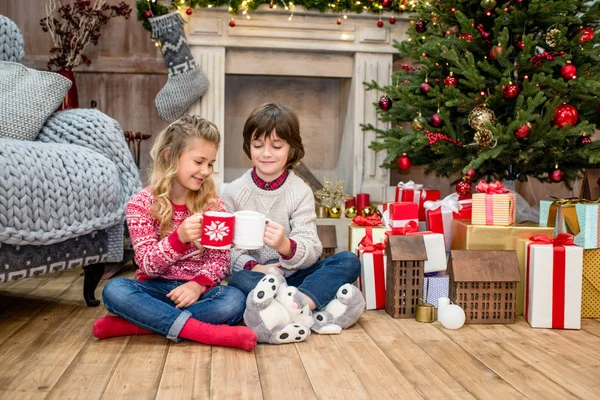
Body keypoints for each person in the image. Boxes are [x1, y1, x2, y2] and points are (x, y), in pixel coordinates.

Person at [92, 115, 257, 351]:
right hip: (154, 289)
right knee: (115, 290)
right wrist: (178, 238)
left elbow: (220, 261)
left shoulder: (213, 206)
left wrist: (197, 286)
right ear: (170, 156)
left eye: (210, 164)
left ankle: (140, 324)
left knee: (233, 300)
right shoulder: (140, 204)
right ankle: (205, 332)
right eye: (199, 161)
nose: (206, 171)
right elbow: (148, 266)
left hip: (198, 293)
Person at [222, 103, 361, 320]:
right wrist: (256, 267)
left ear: (292, 148)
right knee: (238, 281)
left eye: (276, 146)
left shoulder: (300, 192)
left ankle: (295, 306)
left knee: (348, 261)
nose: (266, 153)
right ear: (248, 147)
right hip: (256, 277)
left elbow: (312, 248)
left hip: (295, 278)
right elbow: (223, 250)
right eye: (258, 145)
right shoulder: (233, 191)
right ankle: (303, 307)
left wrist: (284, 246)